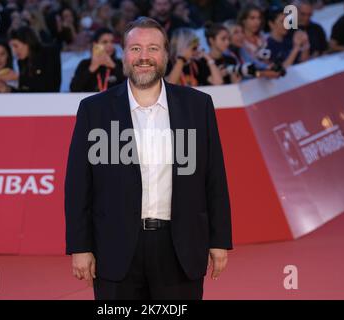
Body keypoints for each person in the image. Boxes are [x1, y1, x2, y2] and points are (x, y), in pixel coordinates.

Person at [64, 17, 232, 300]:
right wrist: (80, 246)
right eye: (135, 49)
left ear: (166, 55)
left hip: (179, 248)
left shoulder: (198, 106)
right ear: (124, 56)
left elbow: (214, 177)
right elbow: (79, 184)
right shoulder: (94, 110)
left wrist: (219, 240)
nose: (144, 57)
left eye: (153, 48)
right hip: (115, 249)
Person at [0, 26, 61, 93]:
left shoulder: (49, 52)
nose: (14, 51)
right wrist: (7, 89)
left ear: (27, 43)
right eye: (12, 47)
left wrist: (18, 77)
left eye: (16, 46)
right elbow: (25, 92)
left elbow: (50, 85)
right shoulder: (22, 61)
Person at [70, 27, 125, 92]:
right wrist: (92, 68)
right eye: (105, 42)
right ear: (95, 45)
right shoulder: (85, 64)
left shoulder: (119, 63)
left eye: (112, 42)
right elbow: (74, 88)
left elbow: (129, 86)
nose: (110, 45)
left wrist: (113, 66)